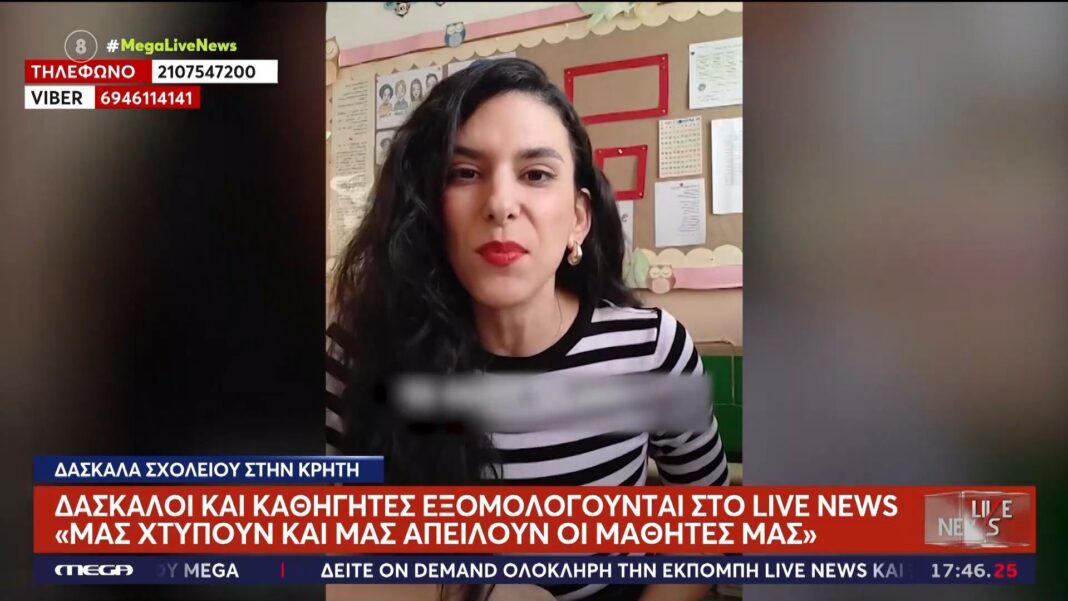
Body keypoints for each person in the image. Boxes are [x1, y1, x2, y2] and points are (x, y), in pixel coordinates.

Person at [326, 58, 728, 601]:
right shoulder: (357, 353)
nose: (499, 205)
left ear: (578, 219)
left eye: (536, 174)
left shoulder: (651, 350)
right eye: (464, 173)